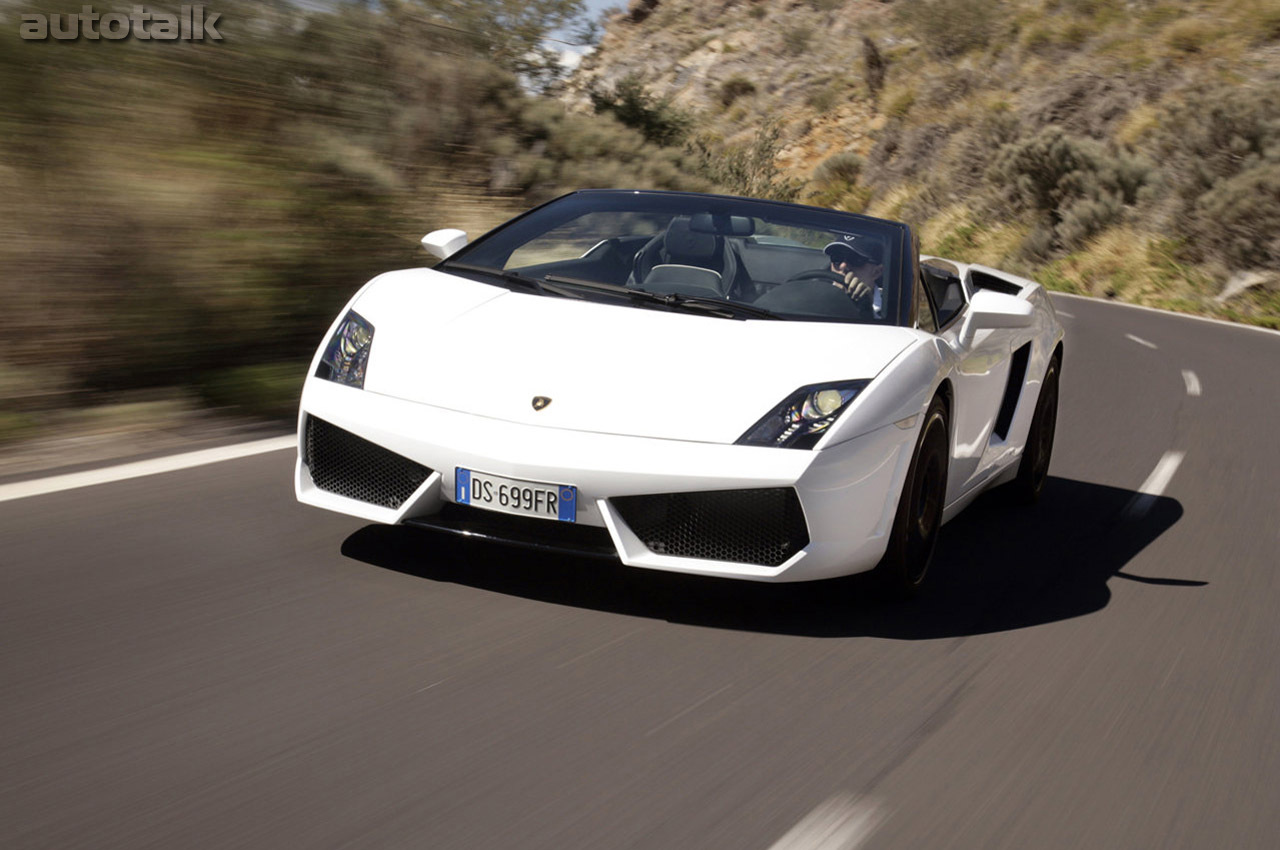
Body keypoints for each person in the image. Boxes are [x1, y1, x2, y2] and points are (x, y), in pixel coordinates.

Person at [824, 239, 885, 316]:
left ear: (877, 272)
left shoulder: (891, 311)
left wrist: (867, 312)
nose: (843, 266)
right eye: (837, 258)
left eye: (854, 259)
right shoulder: (815, 293)